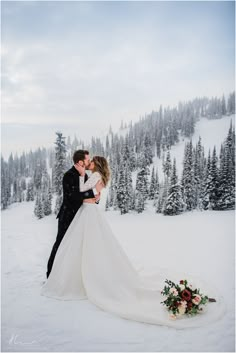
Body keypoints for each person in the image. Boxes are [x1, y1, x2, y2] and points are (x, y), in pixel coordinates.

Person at [41, 156, 226, 329]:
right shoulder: (99, 176)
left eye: (90, 163)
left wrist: (81, 176)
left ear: (95, 165)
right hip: (91, 212)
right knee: (92, 245)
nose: (88, 164)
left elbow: (82, 191)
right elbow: (92, 194)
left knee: (87, 245)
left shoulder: (94, 174)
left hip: (89, 213)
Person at [46, 150, 103, 278]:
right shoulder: (69, 175)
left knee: (78, 247)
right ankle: (50, 275)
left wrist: (96, 199)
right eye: (87, 160)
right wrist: (93, 194)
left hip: (82, 217)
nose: (89, 162)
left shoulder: (85, 175)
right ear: (80, 162)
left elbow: (87, 194)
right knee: (60, 244)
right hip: (68, 216)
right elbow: (73, 196)